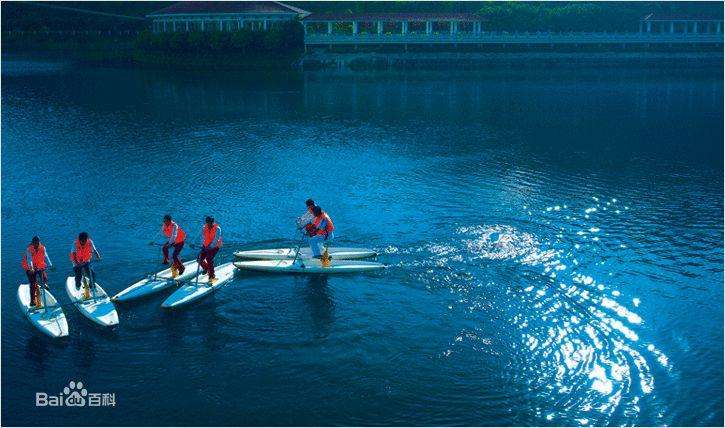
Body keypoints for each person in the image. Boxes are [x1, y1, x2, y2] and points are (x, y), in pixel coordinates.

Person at [21, 236, 53, 308]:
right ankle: (32, 301)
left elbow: (46, 256)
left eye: (37, 243)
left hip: (39, 266)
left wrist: (50, 265)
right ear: (32, 243)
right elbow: (29, 259)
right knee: (33, 284)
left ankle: (45, 284)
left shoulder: (42, 248)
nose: (36, 245)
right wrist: (31, 268)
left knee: (45, 278)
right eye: (34, 243)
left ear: (39, 243)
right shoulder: (29, 249)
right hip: (30, 268)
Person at [199, 216, 222, 283]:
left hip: (215, 246)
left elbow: (216, 239)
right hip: (206, 245)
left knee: (209, 259)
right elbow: (201, 236)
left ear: (212, 222)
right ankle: (206, 268)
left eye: (209, 223)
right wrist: (195, 243)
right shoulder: (204, 227)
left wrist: (210, 246)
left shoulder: (218, 229)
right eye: (207, 223)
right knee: (199, 259)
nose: (208, 225)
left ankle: (212, 276)